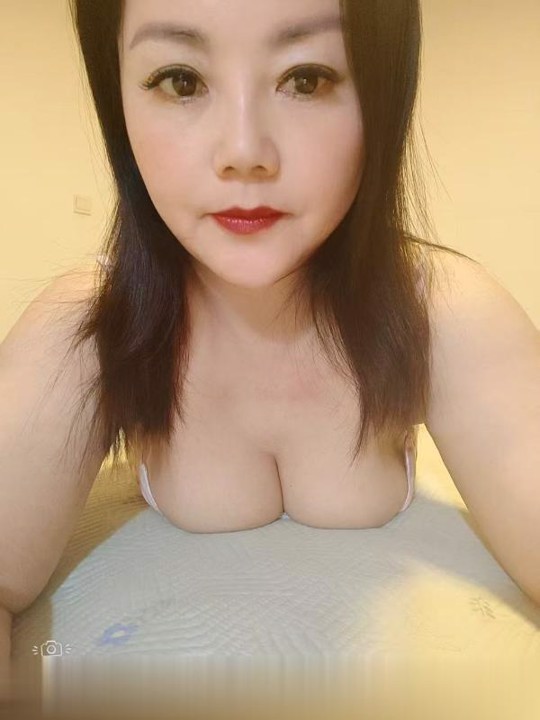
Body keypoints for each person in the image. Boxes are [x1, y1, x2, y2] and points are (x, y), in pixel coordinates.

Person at [1, 0, 539, 697]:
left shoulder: (442, 309)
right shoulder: (89, 326)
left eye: (306, 78)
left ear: (383, 90)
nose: (243, 150)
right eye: (181, 80)